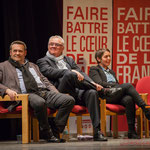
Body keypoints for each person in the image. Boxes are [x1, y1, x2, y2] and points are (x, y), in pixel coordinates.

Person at [36, 35, 121, 141]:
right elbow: (51, 72)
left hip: (76, 92)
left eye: (56, 44)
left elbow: (81, 73)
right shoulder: (42, 61)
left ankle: (97, 131)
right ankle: (103, 91)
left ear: (62, 47)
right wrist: (70, 71)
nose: (53, 46)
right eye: (51, 44)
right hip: (59, 93)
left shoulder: (69, 60)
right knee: (69, 74)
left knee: (92, 93)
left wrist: (92, 83)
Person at [0, 40, 75, 143]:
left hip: (43, 92)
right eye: (15, 51)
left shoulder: (33, 65)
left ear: (25, 53)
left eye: (20, 51)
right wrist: (7, 90)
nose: (17, 53)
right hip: (24, 95)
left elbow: (45, 81)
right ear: (10, 52)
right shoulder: (3, 66)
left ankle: (55, 131)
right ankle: (47, 133)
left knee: (68, 100)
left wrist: (56, 93)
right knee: (39, 102)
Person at [89, 48, 150, 139]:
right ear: (98, 59)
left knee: (129, 99)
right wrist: (114, 85)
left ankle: (131, 131)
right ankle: (145, 108)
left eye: (109, 56)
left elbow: (117, 85)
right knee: (128, 85)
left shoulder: (111, 71)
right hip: (106, 95)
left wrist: (116, 86)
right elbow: (100, 83)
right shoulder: (94, 69)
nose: (109, 58)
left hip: (115, 93)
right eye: (106, 57)